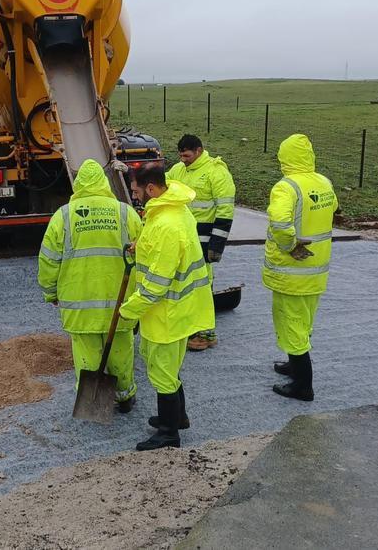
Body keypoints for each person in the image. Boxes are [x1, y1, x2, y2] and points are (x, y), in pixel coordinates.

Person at [119, 165, 214, 450]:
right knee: (167, 366)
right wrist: (142, 245)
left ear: (150, 188)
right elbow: (164, 251)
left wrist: (128, 310)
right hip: (175, 308)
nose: (135, 197)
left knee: (162, 371)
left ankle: (169, 433)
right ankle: (176, 416)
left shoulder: (165, 225)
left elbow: (157, 284)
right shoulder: (171, 209)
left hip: (167, 311)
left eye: (136, 191)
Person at [38, 160, 143, 413]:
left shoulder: (63, 216)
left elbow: (48, 259)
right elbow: (144, 253)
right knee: (121, 348)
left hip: (80, 303)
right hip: (120, 302)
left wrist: (50, 291)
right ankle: (124, 396)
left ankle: (93, 403)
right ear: (104, 183)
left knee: (86, 352)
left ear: (79, 184)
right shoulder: (125, 213)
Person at [264, 134, 337, 402]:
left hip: (291, 272)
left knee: (290, 323)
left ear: (285, 158)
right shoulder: (324, 182)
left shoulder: (286, 187)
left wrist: (289, 246)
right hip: (316, 269)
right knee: (304, 321)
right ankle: (293, 364)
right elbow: (332, 209)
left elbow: (281, 223)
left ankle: (302, 386)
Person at [166, 134, 235, 351]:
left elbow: (225, 211)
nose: (183, 159)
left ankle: (206, 334)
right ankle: (192, 329)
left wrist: (216, 245)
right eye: (181, 156)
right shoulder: (179, 170)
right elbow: (162, 182)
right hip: (184, 240)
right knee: (188, 286)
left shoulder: (216, 172)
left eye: (187, 155)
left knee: (203, 287)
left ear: (198, 150)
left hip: (204, 243)